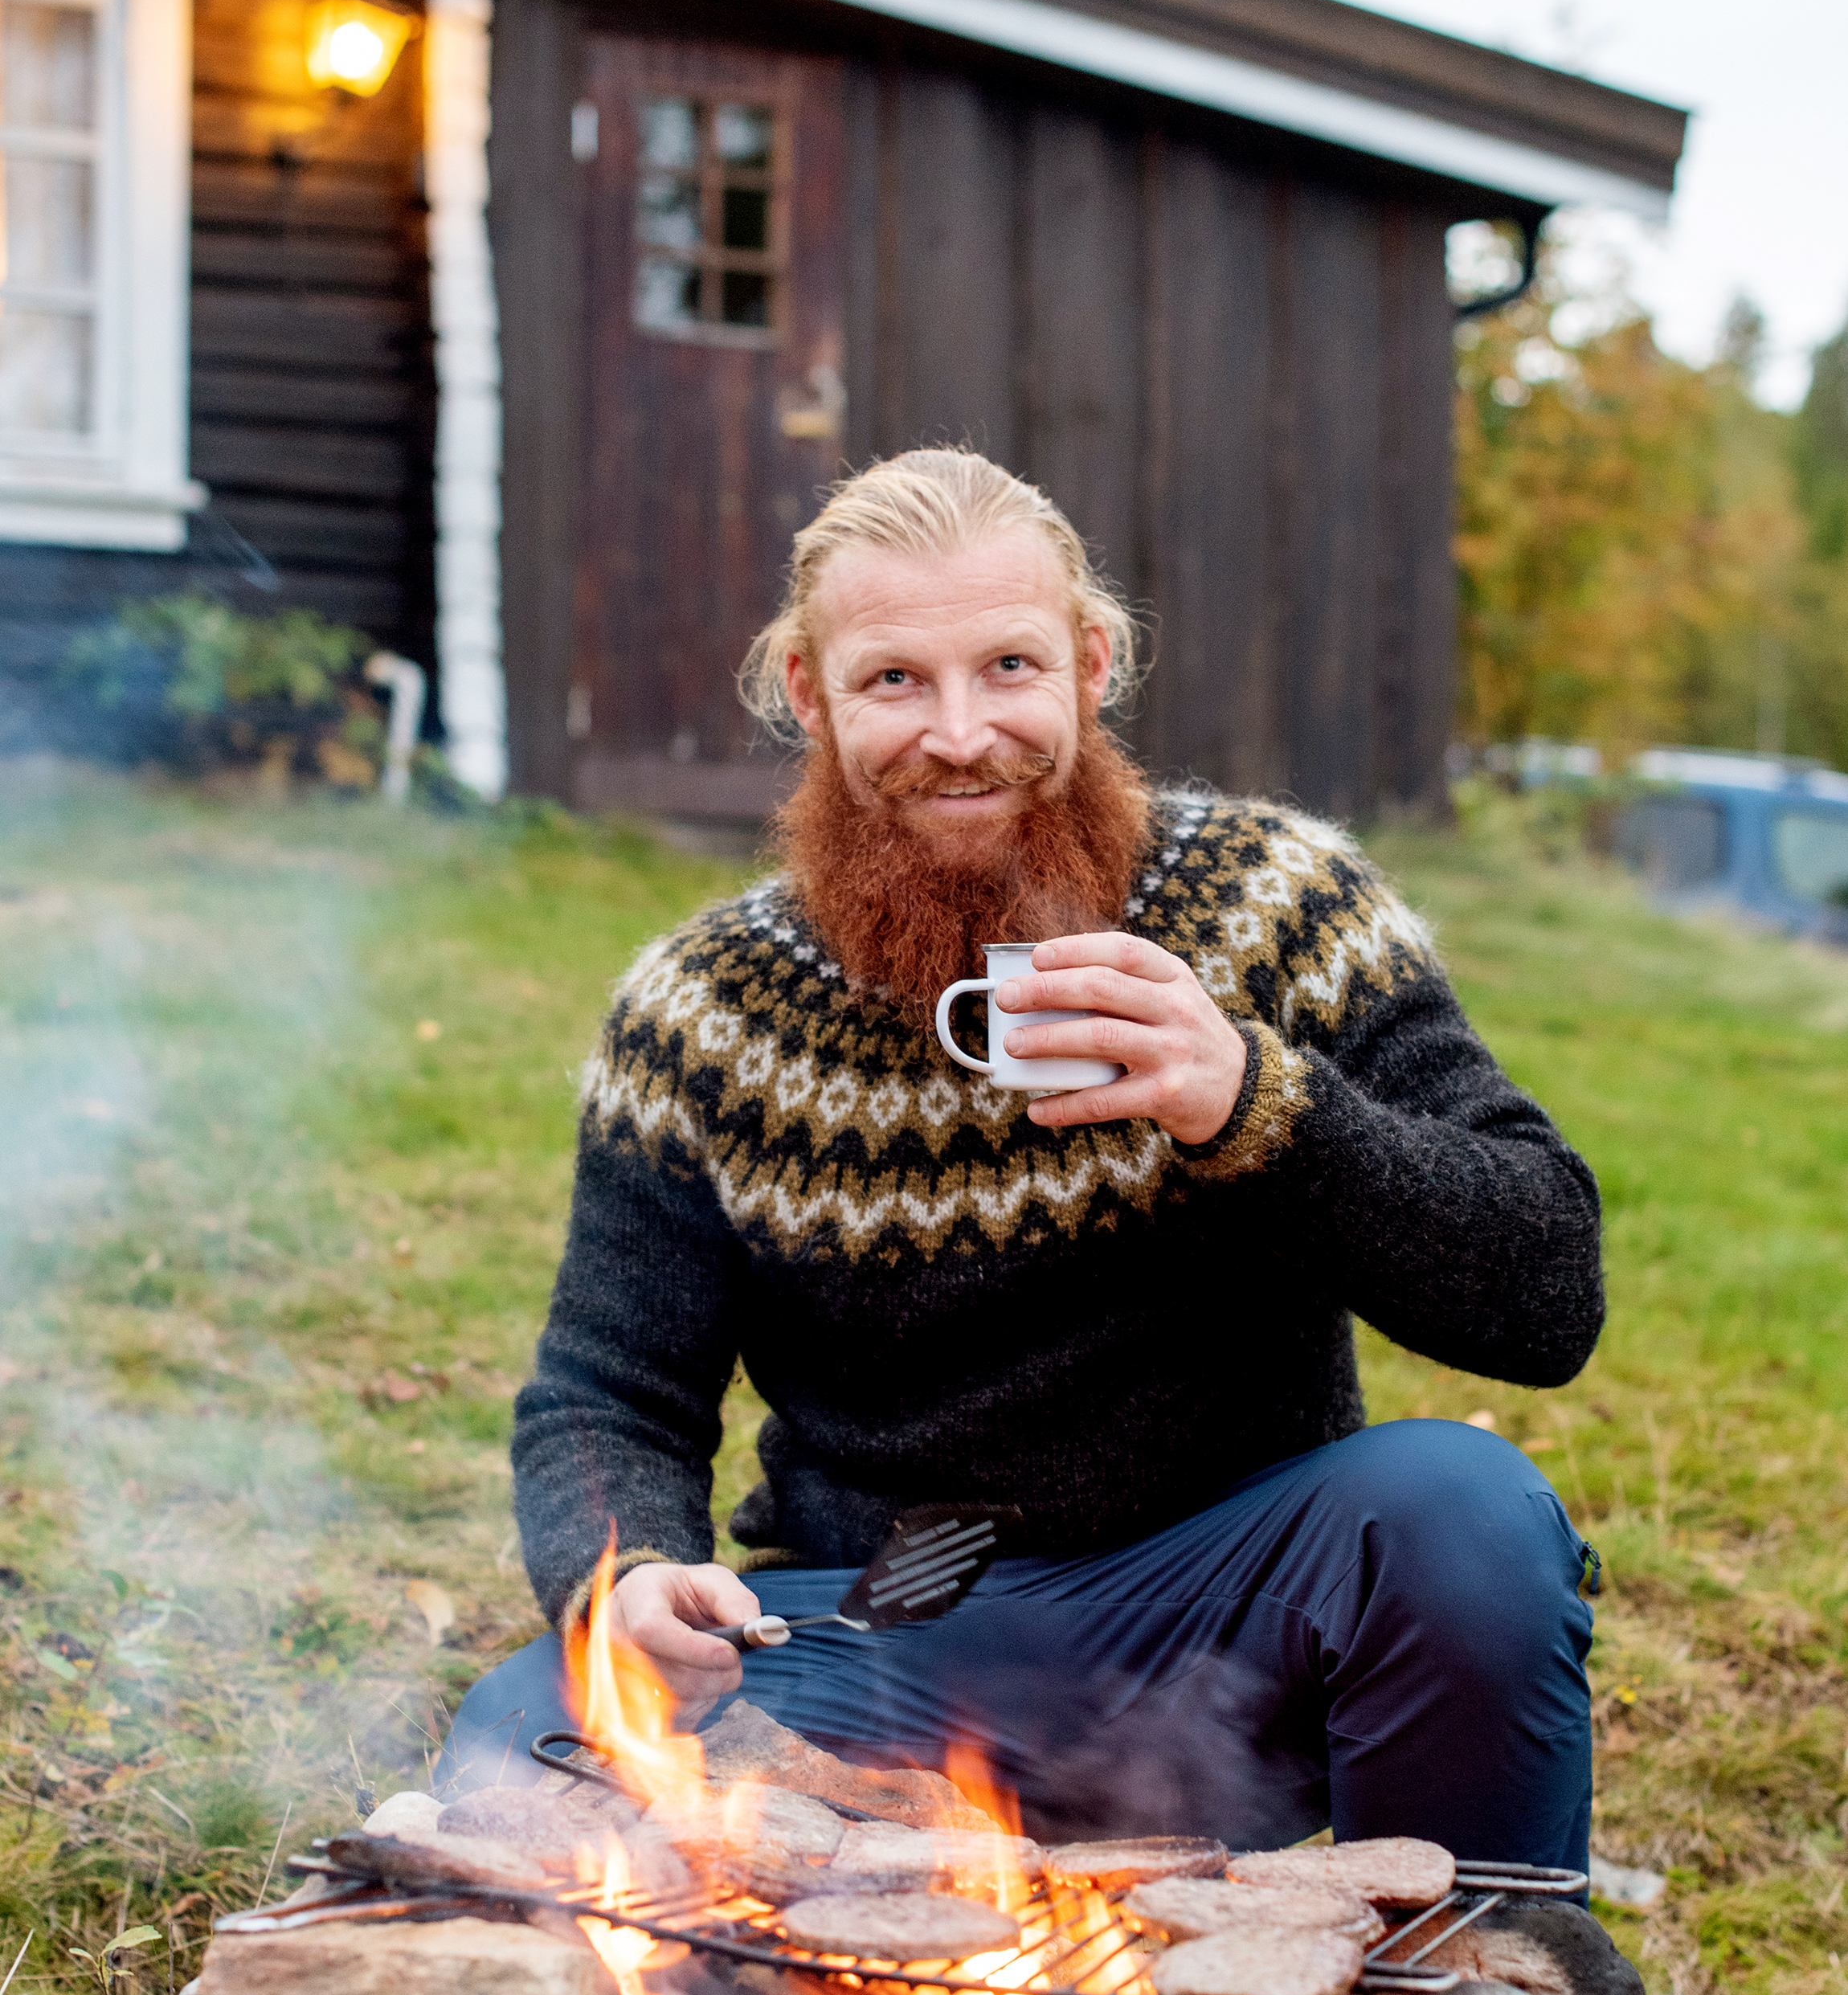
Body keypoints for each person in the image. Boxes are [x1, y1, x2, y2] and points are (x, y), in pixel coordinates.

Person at [448, 449, 1603, 1867]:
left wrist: (1254, 1100)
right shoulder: (703, 1014)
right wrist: (622, 1580)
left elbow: (1545, 1291)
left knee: (1463, 1515)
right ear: (809, 694)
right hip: (888, 1639)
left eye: (1008, 666)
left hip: (1230, 1619)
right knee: (525, 1734)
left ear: (1091, 663)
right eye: (893, 682)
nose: (958, 734)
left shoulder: (1276, 907)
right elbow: (605, 1392)